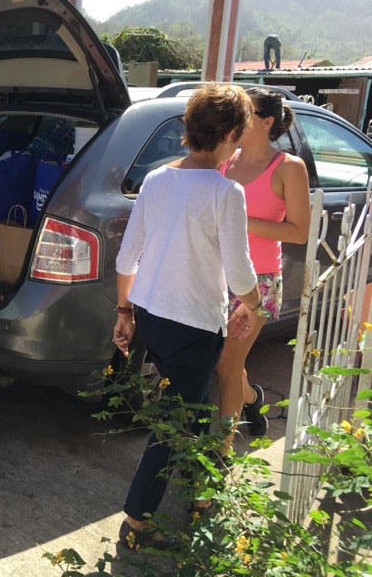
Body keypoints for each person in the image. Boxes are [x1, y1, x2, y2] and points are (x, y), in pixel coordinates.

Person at [113, 83, 262, 549]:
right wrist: (253, 306)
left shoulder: (157, 179)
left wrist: (124, 313)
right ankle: (137, 522)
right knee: (172, 424)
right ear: (230, 132)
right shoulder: (226, 192)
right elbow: (239, 270)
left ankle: (203, 492)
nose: (239, 144)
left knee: (192, 407)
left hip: (153, 315)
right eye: (239, 135)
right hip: (193, 324)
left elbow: (126, 258)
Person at [217, 87, 310, 447]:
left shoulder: (288, 167)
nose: (235, 118)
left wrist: (240, 219)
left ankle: (220, 457)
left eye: (245, 112)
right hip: (215, 274)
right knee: (221, 359)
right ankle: (253, 399)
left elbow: (299, 232)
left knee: (226, 364)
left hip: (258, 280)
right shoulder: (226, 159)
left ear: (267, 121)